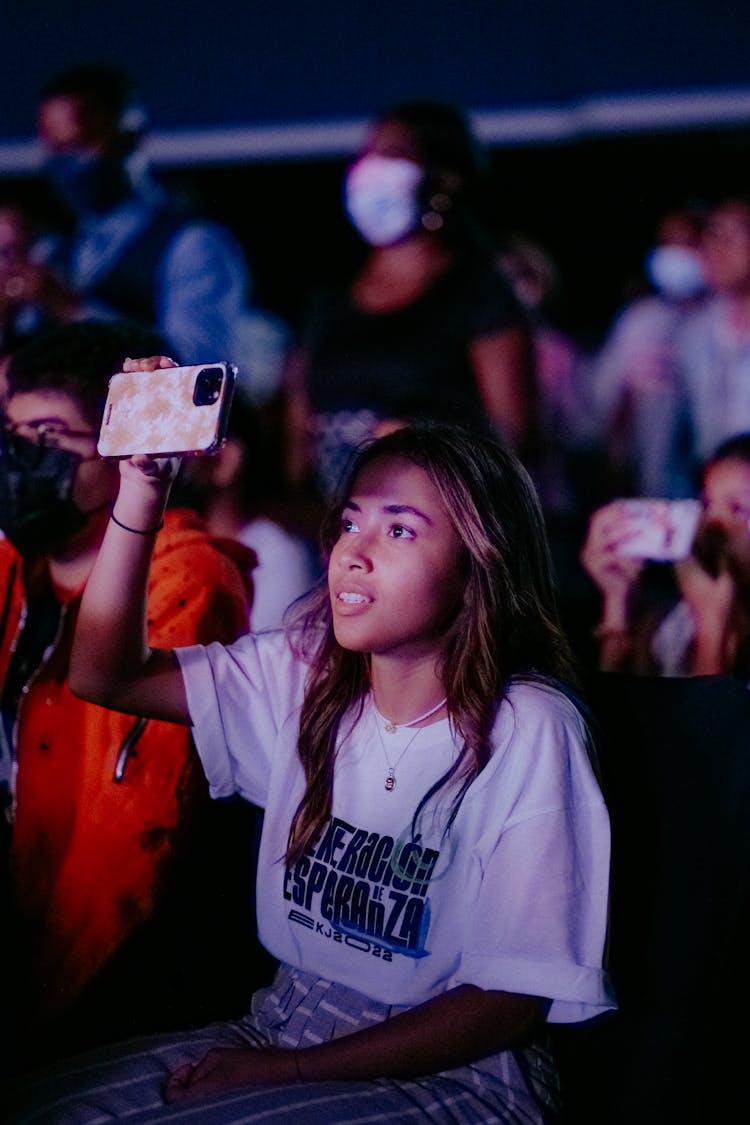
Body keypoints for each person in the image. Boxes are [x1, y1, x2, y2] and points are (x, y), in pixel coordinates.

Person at [11, 373, 615, 1124]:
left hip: (453, 1072)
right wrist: (141, 490)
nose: (354, 553)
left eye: (399, 530)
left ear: (476, 568)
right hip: (282, 1017)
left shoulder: (525, 725)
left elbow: (504, 1005)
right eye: (351, 523)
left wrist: (282, 1070)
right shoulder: (305, 673)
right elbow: (105, 673)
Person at [0, 322, 255, 1067]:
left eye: (49, 434)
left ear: (121, 440)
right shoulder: (20, 562)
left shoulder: (186, 580)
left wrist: (36, 1017)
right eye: (11, 430)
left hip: (115, 967)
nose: (20, 457)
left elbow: (126, 844)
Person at [285, 99, 535, 497]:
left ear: (444, 179)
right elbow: (298, 431)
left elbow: (515, 436)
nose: (369, 169)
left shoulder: (479, 293)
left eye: (393, 154)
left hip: (429, 518)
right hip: (332, 522)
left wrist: (424, 437)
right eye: (366, 153)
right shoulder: (328, 302)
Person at [35, 64, 251, 364]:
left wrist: (72, 309)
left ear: (130, 137)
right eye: (55, 149)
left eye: (80, 144)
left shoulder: (192, 244)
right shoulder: (56, 250)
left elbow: (199, 363)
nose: (67, 164)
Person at [580, 433, 750, 678]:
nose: (714, 524)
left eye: (738, 509)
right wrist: (617, 602)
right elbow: (614, 710)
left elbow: (710, 716)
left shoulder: (701, 616)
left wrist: (711, 626)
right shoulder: (681, 624)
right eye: (707, 504)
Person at [173, 389, 319, 631]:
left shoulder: (275, 552)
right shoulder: (168, 541)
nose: (175, 459)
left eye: (189, 442)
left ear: (226, 459)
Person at [590, 204, 708, 498]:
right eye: (668, 243)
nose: (676, 255)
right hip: (647, 487)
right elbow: (601, 403)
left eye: (688, 243)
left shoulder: (724, 319)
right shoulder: (641, 320)